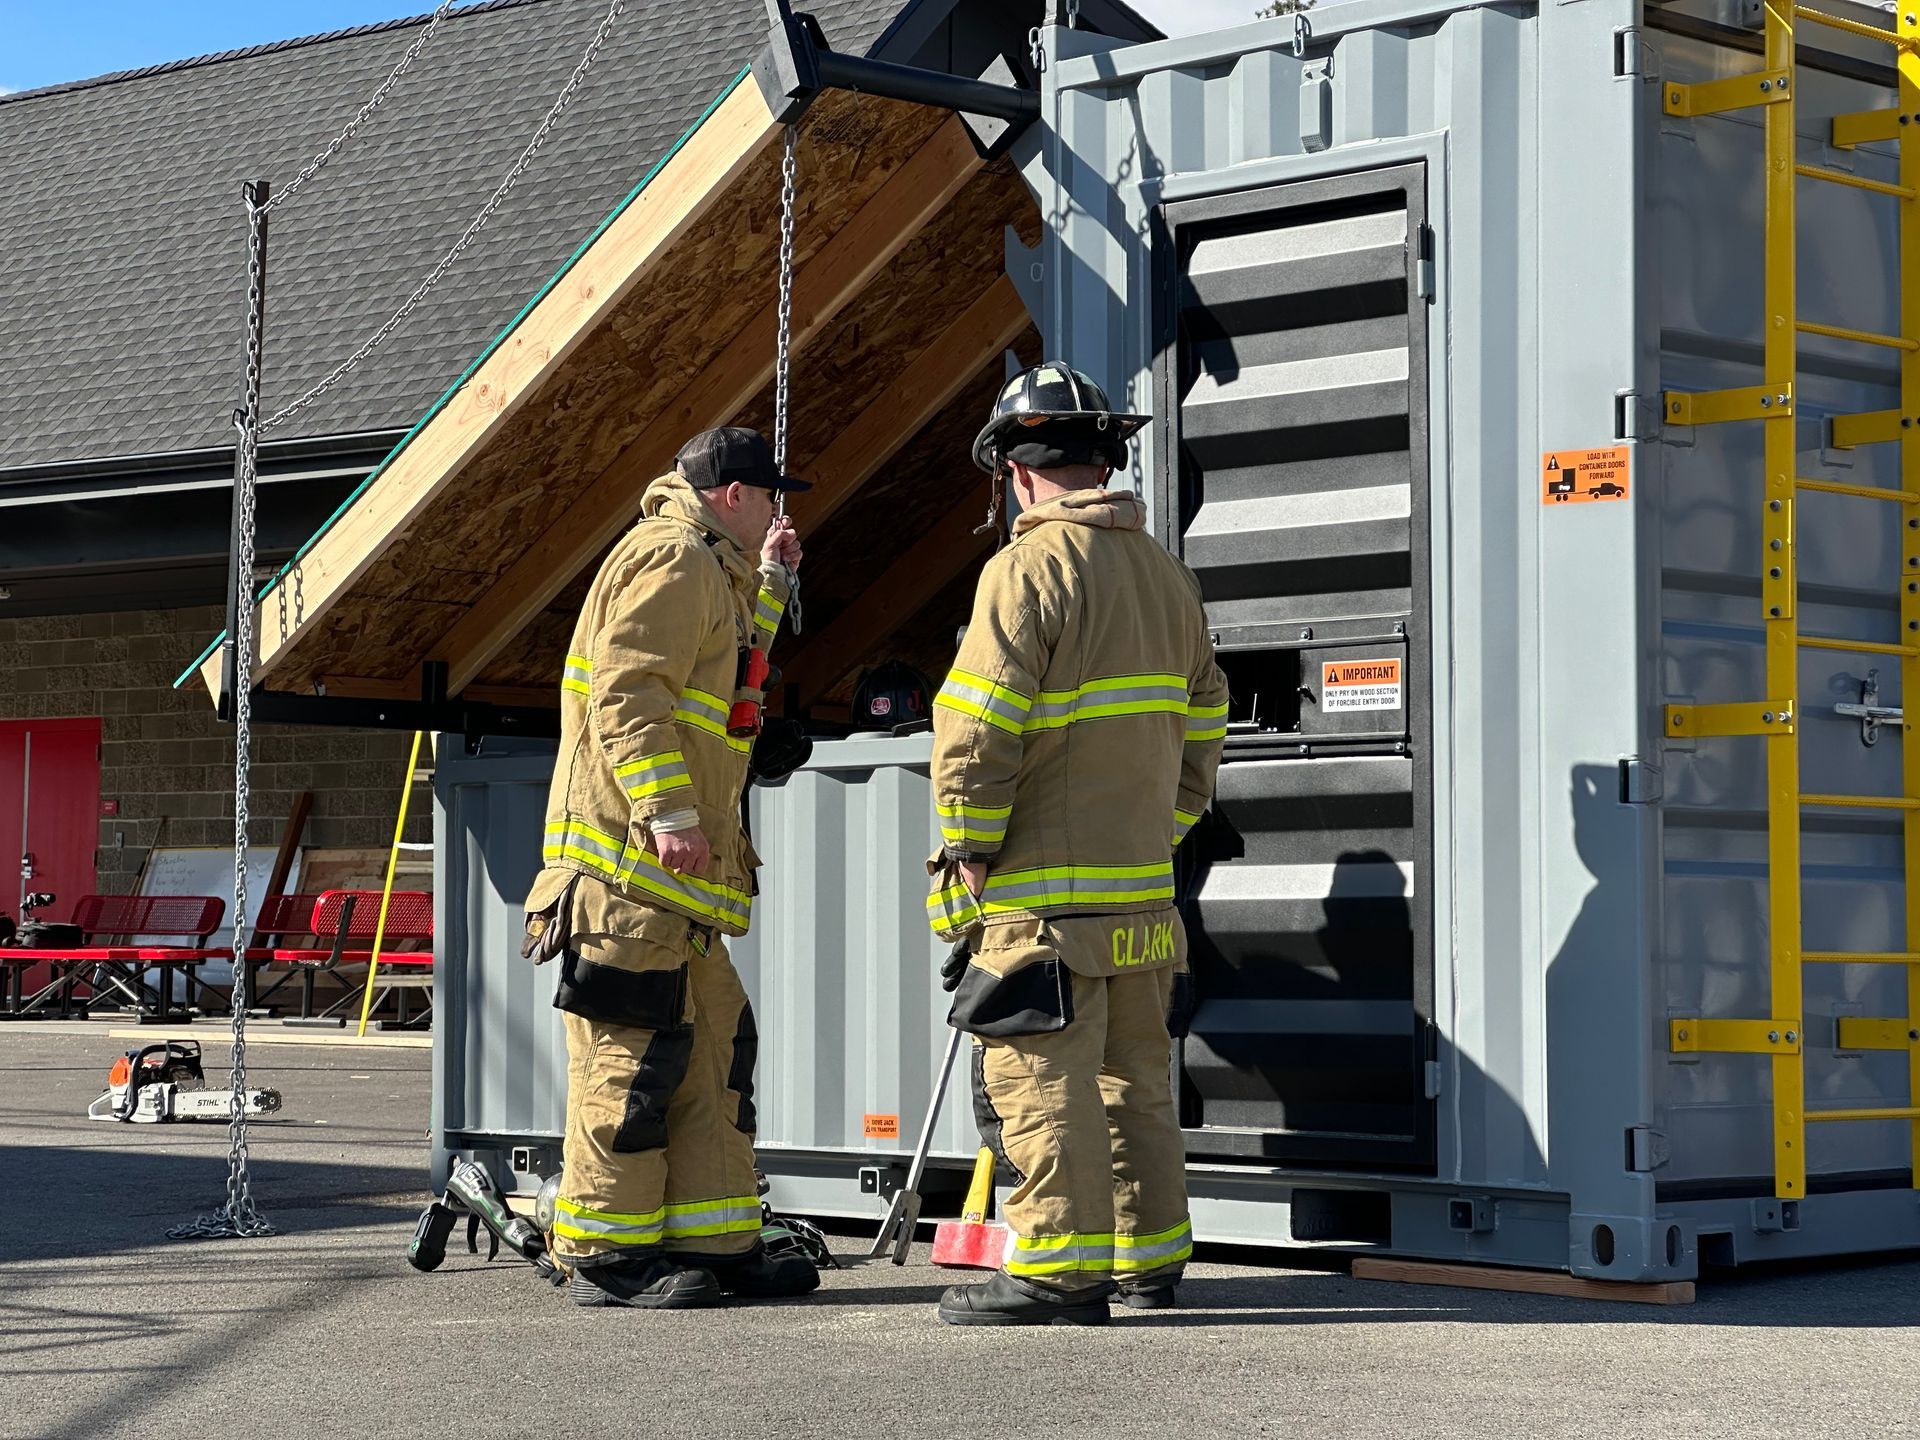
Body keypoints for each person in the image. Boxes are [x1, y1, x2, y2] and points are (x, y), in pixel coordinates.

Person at [926, 363, 1229, 1327]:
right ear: (1106, 460)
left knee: (1042, 1079)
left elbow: (976, 725)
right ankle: (1149, 1262)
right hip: (1140, 899)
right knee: (1137, 1085)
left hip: (1044, 903)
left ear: (1018, 475)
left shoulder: (1024, 571)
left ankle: (1057, 1272)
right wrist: (1163, 827)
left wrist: (968, 843)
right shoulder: (1167, 577)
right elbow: (1207, 722)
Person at [523, 426, 811, 1309]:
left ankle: (715, 1239)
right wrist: (670, 812)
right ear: (732, 495)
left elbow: (722, 667)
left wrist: (773, 581)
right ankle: (606, 1254)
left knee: (713, 1054)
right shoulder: (672, 557)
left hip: (668, 894)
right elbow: (629, 692)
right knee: (634, 1063)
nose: (776, 507)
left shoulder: (707, 566)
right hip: (628, 880)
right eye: (769, 495)